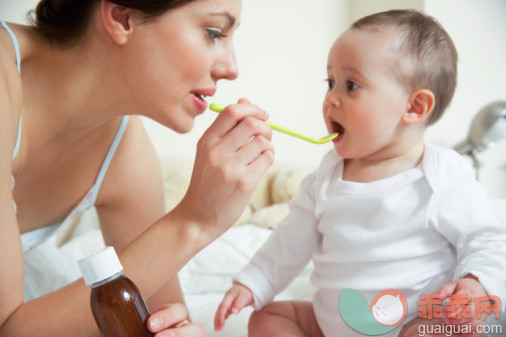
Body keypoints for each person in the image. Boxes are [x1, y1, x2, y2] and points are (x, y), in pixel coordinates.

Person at [214, 9, 506, 337]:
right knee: (268, 318)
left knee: (451, 330)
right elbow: (289, 240)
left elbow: (485, 238)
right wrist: (253, 283)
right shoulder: (326, 176)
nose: (330, 99)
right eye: (330, 82)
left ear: (414, 108)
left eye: (351, 85)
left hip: (412, 323)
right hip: (330, 326)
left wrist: (476, 284)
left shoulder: (441, 173)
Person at [0, 0, 275, 335]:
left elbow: (161, 316)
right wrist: (194, 221)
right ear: (122, 17)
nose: (231, 68)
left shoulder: (123, 152)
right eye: (214, 32)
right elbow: (8, 327)